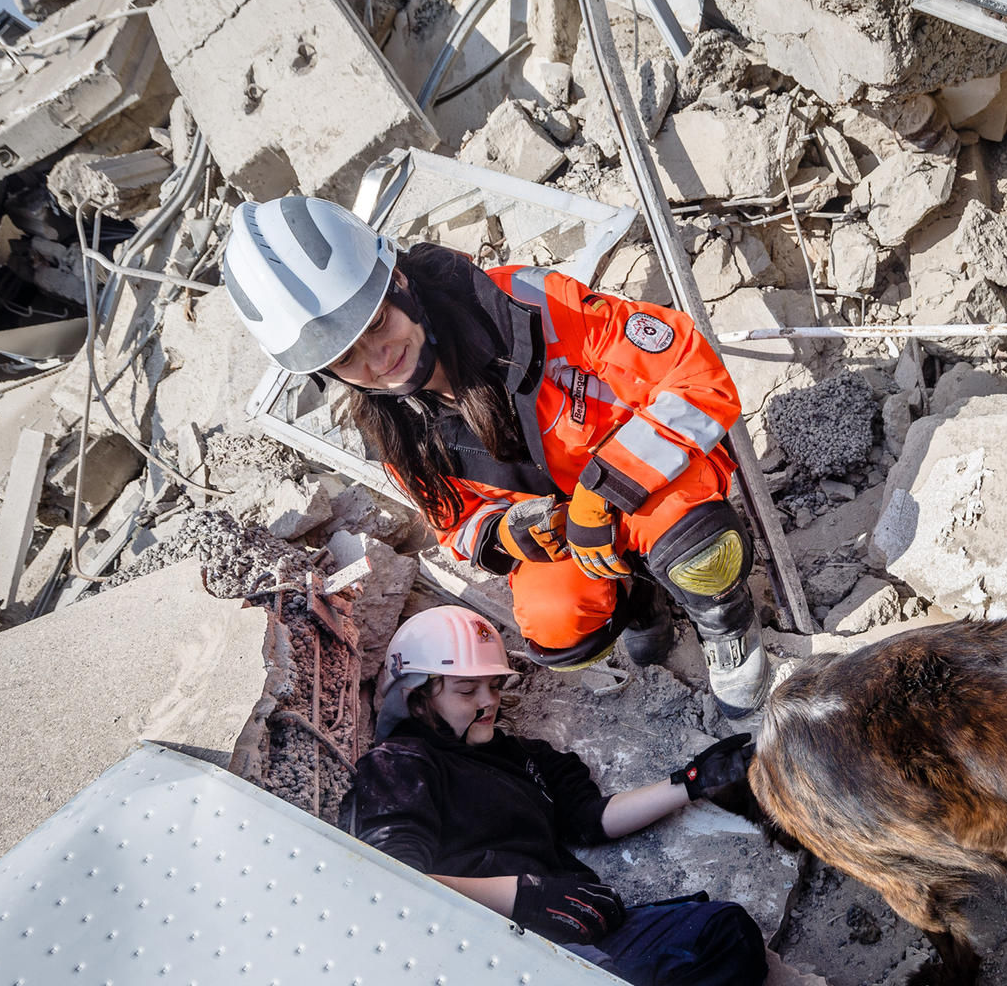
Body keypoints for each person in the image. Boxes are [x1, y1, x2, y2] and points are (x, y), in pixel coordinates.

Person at [222, 194, 769, 716]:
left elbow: (696, 377)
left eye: (376, 324)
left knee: (699, 551)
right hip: (571, 534)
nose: (379, 358)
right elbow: (455, 525)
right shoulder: (394, 432)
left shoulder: (530, 311)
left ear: (401, 285)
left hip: (650, 487)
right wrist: (506, 535)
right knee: (558, 628)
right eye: (347, 357)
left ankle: (726, 625)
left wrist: (606, 491)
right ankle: (639, 600)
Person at [338, 605, 767, 986]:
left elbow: (591, 819)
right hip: (491, 953)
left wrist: (690, 782)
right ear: (418, 698)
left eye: (493, 685)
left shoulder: (523, 757)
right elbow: (391, 882)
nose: (488, 701)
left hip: (581, 930)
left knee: (722, 933)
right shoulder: (399, 763)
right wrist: (525, 897)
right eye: (467, 690)